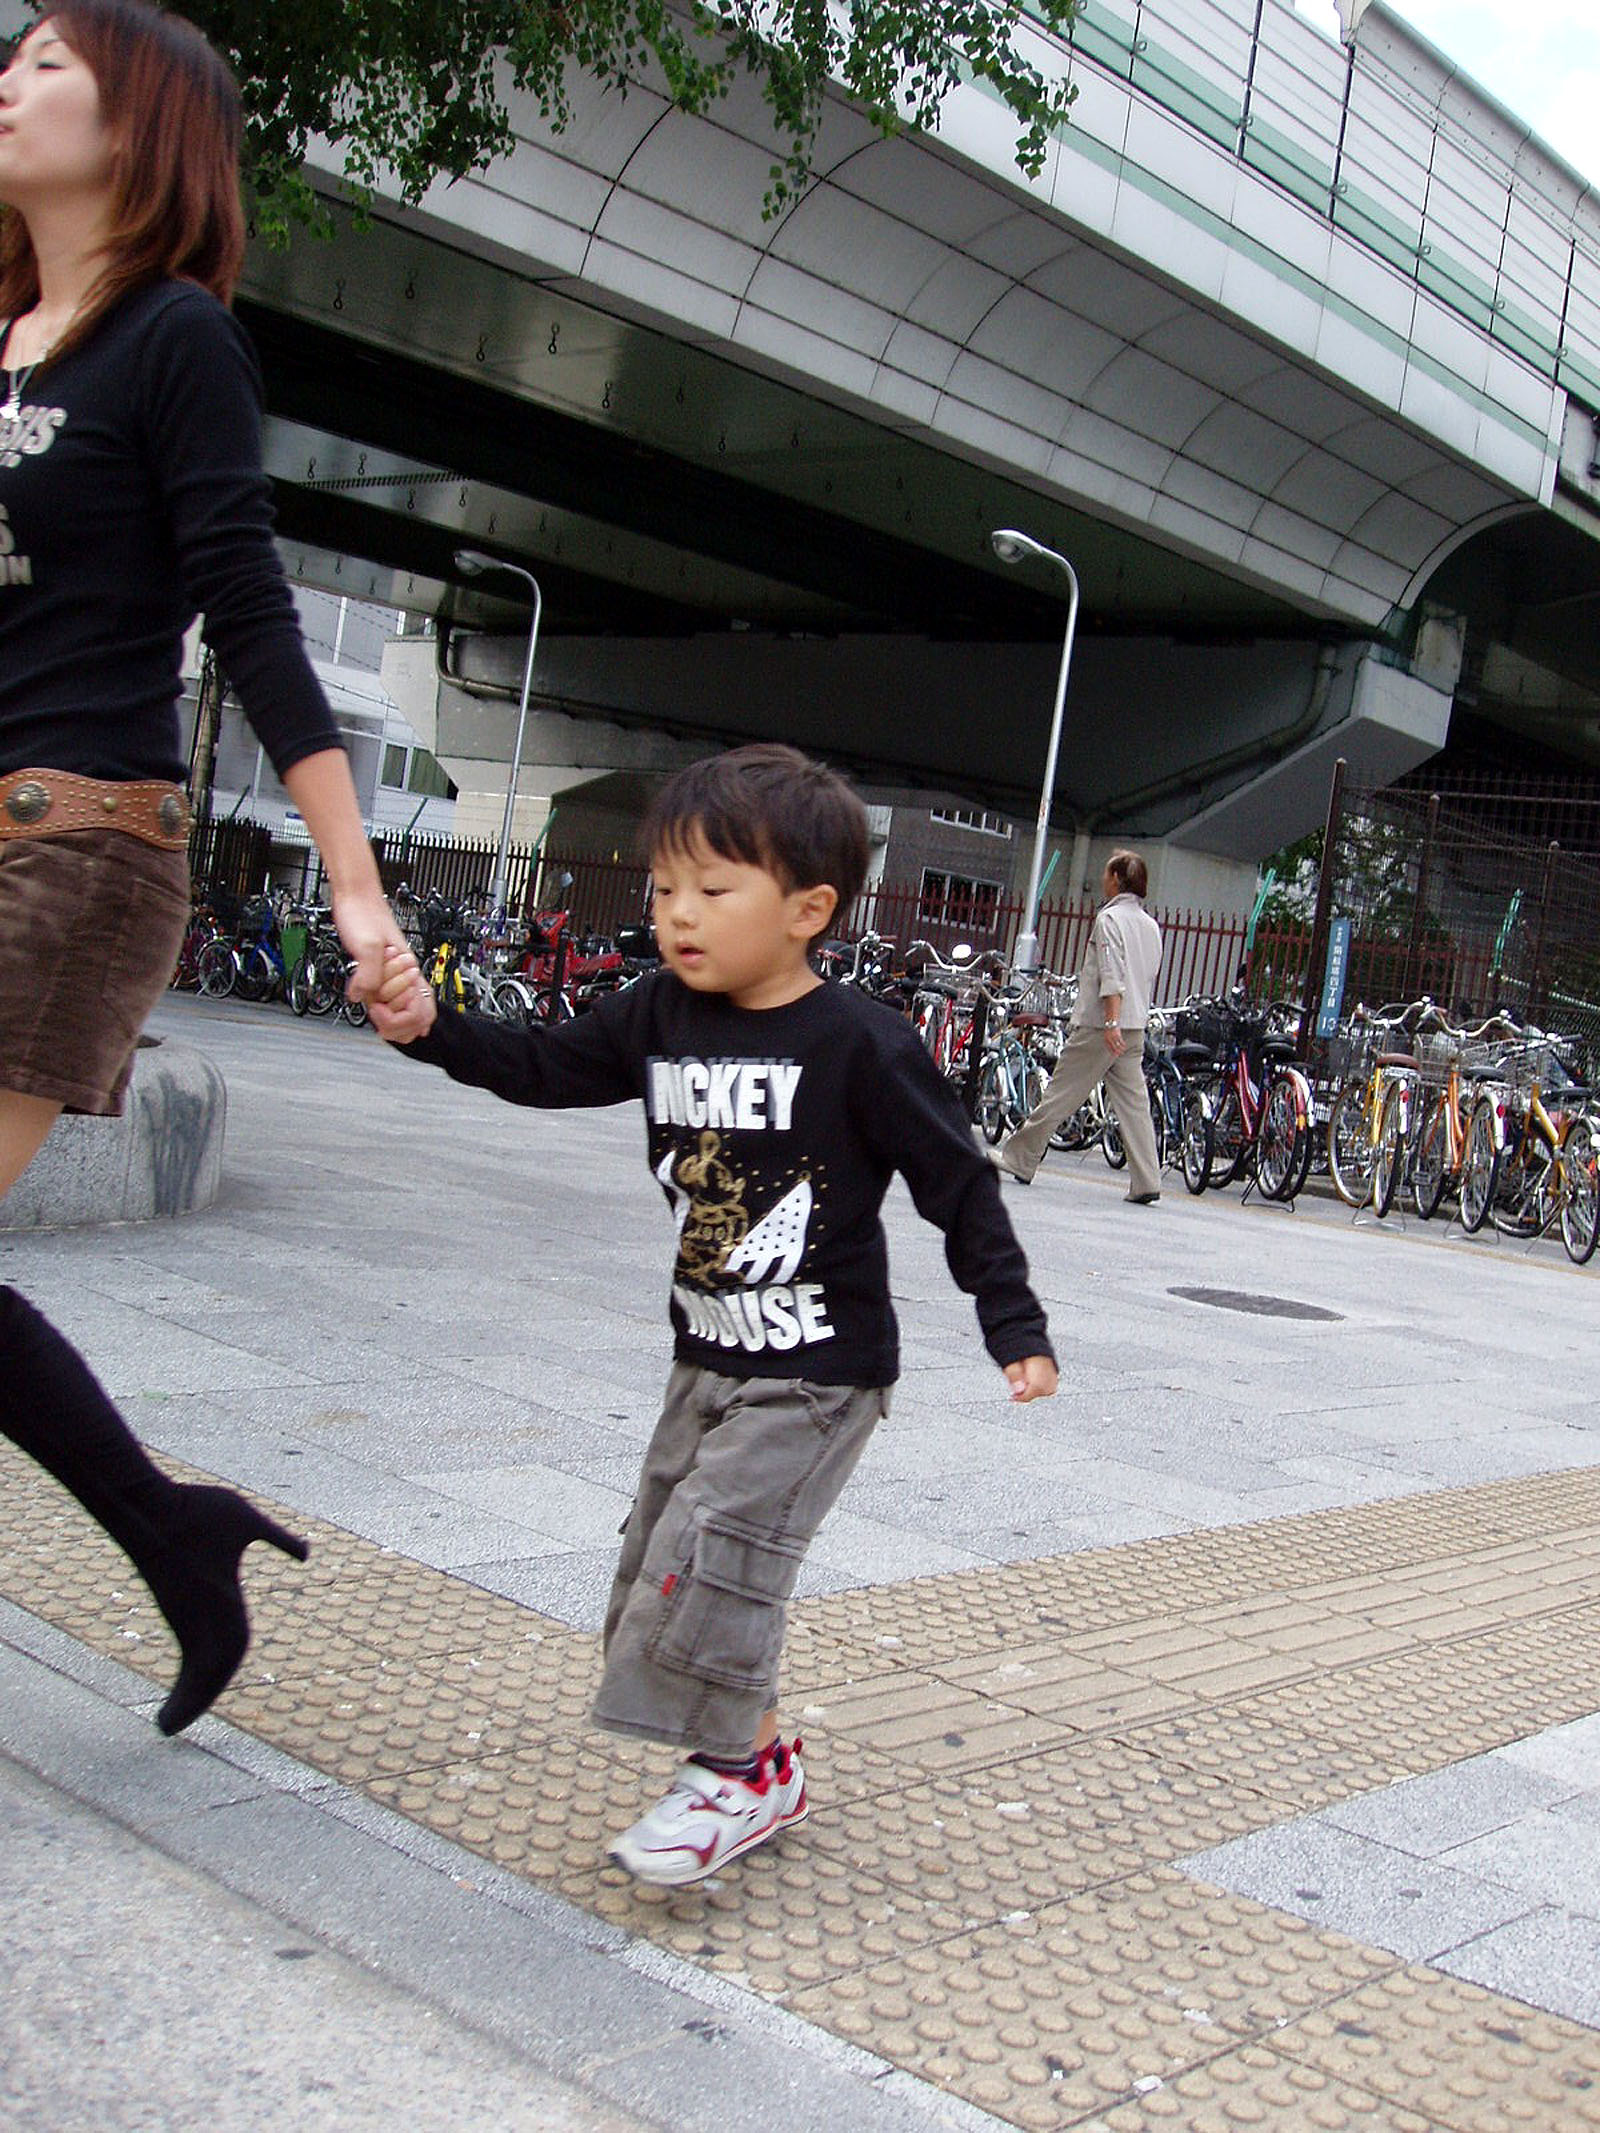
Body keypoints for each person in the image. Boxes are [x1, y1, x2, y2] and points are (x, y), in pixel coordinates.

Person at [369, 743, 1058, 1886]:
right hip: (706, 1355)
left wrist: (1013, 1324)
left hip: (819, 1373)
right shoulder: (659, 1013)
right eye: (663, 889)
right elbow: (541, 1066)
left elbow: (958, 1183)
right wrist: (427, 1027)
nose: (677, 915)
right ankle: (765, 1756)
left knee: (713, 1552)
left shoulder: (860, 1043)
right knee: (659, 1560)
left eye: (712, 890)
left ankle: (733, 1777)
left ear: (806, 910)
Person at [0, 1, 413, 1734]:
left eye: (45, 63)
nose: (6, 81)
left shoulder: (176, 341)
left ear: (139, 124)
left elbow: (246, 610)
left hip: (75, 846)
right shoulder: (8, 343)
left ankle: (172, 1535)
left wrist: (356, 886)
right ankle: (176, 1535)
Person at [991, 849, 1164, 1201]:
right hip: (1135, 1025)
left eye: (1107, 874)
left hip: (1102, 1026)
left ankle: (1020, 1158)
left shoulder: (1109, 919)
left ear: (1117, 879)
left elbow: (1111, 974)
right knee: (1135, 1105)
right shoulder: (1150, 926)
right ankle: (1147, 1180)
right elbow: (1147, 973)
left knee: (1061, 1093)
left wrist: (1111, 1020)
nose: (1103, 879)